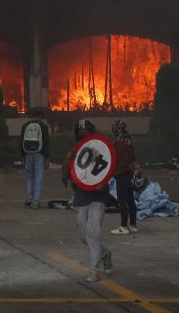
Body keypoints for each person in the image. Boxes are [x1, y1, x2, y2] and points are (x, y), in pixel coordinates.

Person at [61, 119, 113, 282]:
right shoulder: (75, 153)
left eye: (86, 134)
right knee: (84, 236)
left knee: (93, 234)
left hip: (97, 198)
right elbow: (64, 176)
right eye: (81, 135)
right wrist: (67, 159)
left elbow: (107, 172)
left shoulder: (101, 150)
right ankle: (105, 253)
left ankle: (94, 271)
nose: (83, 137)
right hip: (81, 198)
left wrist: (102, 186)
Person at [110, 120, 138, 234]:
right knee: (131, 200)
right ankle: (133, 225)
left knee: (122, 201)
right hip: (130, 173)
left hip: (121, 174)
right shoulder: (128, 141)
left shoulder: (117, 143)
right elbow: (133, 158)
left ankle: (123, 227)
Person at [20, 108, 50, 209]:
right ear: (40, 117)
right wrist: (47, 157)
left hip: (28, 153)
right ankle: (36, 201)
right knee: (38, 177)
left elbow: (21, 141)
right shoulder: (43, 127)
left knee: (29, 176)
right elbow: (46, 143)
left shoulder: (25, 126)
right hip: (39, 153)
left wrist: (22, 155)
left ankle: (29, 197)